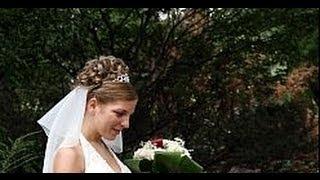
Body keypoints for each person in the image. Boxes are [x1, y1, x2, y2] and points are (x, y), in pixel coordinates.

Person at [37, 55, 138, 173]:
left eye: (129, 115)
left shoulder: (103, 147)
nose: (126, 124)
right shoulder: (70, 155)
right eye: (119, 113)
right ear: (93, 105)